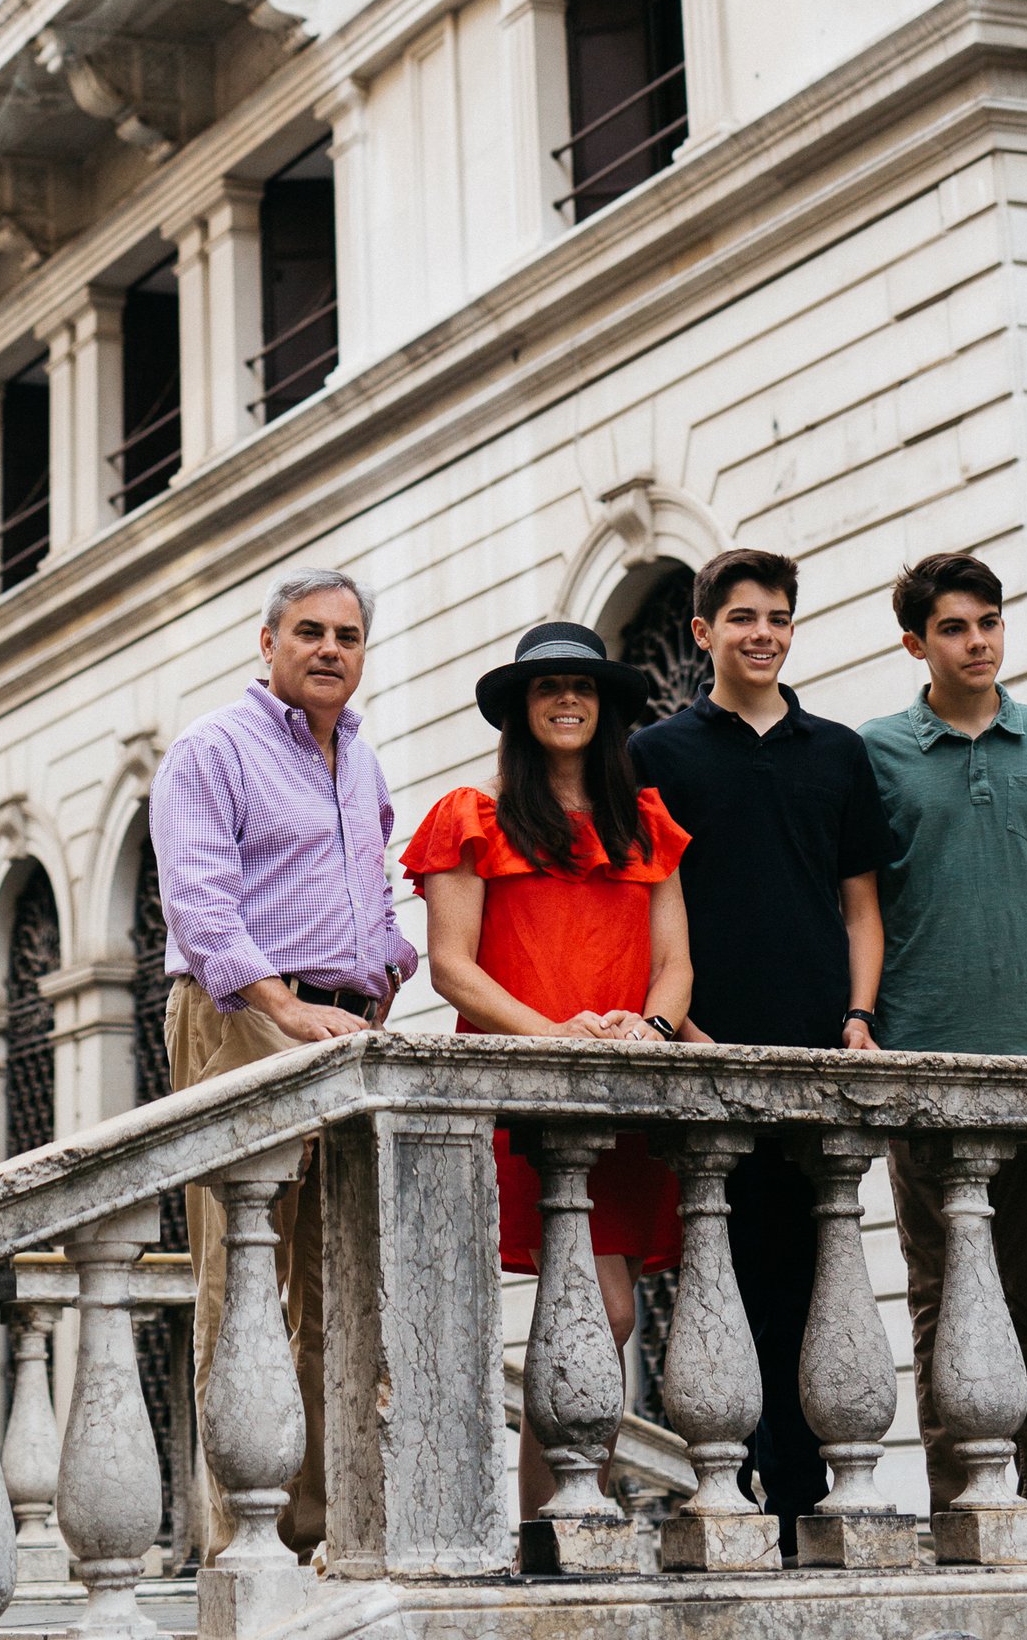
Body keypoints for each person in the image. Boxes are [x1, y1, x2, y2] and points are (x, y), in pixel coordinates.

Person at [403, 621, 692, 1549]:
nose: (567, 700)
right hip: (527, 1092)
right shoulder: (471, 817)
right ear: (522, 710)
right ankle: (555, 1528)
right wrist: (556, 1038)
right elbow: (453, 968)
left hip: (624, 1094)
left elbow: (675, 964)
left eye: (583, 686)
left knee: (606, 1315)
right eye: (546, 688)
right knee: (582, 1310)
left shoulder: (646, 821)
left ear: (604, 706)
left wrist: (642, 1031)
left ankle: (572, 1525)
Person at [627, 549, 892, 1558]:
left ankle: (808, 1496)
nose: (763, 633)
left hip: (822, 1058)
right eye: (741, 617)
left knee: (816, 1276)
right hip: (707, 1058)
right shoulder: (659, 753)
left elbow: (863, 904)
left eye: (777, 617)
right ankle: (739, 1495)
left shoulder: (838, 753)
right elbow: (653, 904)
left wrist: (861, 1016)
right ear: (702, 633)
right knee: (723, 1276)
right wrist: (681, 1027)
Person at [150, 566, 417, 1562]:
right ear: (267, 644)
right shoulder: (211, 750)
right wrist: (283, 1006)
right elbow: (200, 904)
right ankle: (241, 1543)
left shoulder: (362, 760)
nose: (329, 650)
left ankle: (315, 1528)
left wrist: (386, 970)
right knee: (242, 1279)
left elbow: (372, 886)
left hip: (343, 1027)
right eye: (309, 631)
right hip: (244, 1016)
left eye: (347, 635)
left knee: (337, 1279)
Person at [862, 550, 1027, 1527]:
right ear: (917, 642)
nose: (978, 642)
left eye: (990, 623)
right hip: (922, 1063)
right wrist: (865, 1025)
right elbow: (862, 906)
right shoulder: (876, 752)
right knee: (943, 1299)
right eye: (955, 628)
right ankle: (965, 1504)